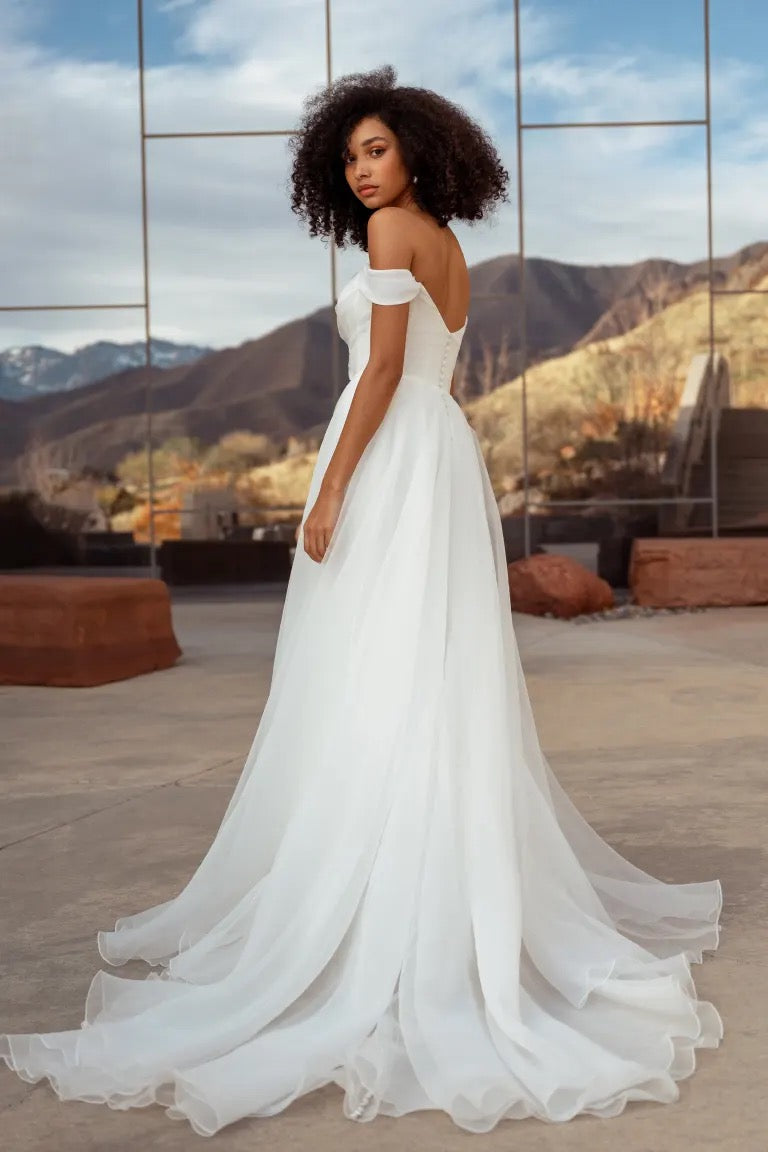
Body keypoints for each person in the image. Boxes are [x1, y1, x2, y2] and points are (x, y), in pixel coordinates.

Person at [0, 64, 722, 1136]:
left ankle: (375, 895)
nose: (360, 170)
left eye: (375, 150)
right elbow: (421, 372)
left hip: (389, 459)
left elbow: (380, 371)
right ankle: (429, 875)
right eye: (349, 157)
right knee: (419, 667)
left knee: (368, 669)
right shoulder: (450, 246)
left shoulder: (393, 241)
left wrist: (330, 486)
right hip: (435, 455)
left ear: (419, 154)